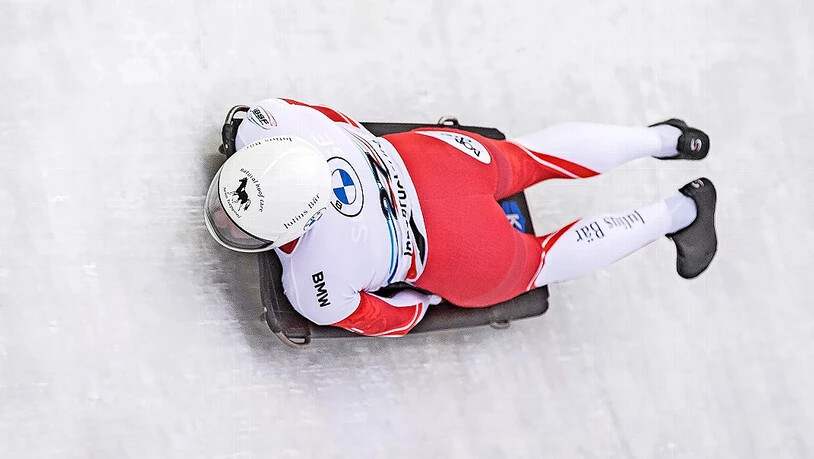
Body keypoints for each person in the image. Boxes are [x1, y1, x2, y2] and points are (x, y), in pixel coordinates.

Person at [204, 98, 717, 337]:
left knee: (532, 265)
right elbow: (341, 120)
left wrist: (427, 295)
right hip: (436, 157)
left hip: (457, 247)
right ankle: (666, 139)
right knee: (526, 157)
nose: (230, 221)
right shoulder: (268, 120)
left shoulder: (313, 284)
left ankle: (682, 212)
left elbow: (397, 318)